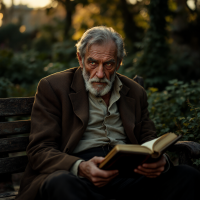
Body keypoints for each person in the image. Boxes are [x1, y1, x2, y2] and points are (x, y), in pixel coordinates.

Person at [16, 26, 200, 200]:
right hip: (78, 174)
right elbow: (39, 149)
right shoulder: (53, 87)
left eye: (109, 64)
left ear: (119, 63)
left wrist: (162, 161)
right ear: (80, 59)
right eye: (92, 63)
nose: (100, 73)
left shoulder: (135, 92)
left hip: (128, 172)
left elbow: (149, 140)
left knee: (187, 176)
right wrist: (80, 167)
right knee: (60, 183)